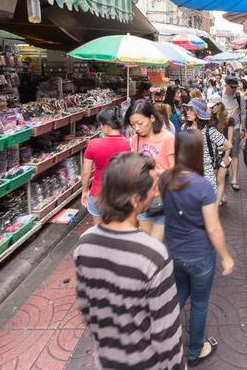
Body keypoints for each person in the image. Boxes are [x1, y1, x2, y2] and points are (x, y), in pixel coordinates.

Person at [74, 153, 184, 370]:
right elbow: (166, 331)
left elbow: (86, 306)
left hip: (106, 358)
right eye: (153, 187)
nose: (156, 191)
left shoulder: (85, 242)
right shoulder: (152, 254)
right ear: (135, 200)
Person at [160, 129, 235, 367]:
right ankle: (195, 351)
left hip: (173, 251)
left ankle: (159, 338)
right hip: (200, 254)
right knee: (200, 304)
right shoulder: (203, 186)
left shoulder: (165, 178)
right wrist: (226, 257)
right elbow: (213, 229)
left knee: (179, 295)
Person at [129, 99, 175, 240]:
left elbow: (174, 171)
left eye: (140, 123)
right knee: (147, 241)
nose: (136, 128)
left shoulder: (167, 138)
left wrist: (153, 173)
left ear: (152, 118)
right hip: (142, 197)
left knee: (155, 243)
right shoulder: (134, 139)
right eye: (132, 124)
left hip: (162, 197)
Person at [82, 107, 131, 224]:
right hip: (121, 193)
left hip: (98, 192)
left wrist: (85, 190)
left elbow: (86, 173)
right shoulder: (129, 143)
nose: (100, 127)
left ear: (107, 126)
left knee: (99, 230)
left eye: (101, 124)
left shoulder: (93, 144)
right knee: (119, 228)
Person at [182, 98, 232, 193]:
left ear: (199, 112)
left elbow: (229, 145)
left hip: (206, 173)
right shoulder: (184, 127)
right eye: (187, 109)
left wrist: (216, 150)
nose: (187, 112)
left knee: (206, 205)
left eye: (191, 110)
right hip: (188, 172)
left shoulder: (210, 131)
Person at [208, 94, 235, 206]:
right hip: (214, 152)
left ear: (219, 105)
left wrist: (226, 155)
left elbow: (230, 139)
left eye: (213, 106)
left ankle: (218, 200)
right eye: (210, 107)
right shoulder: (210, 118)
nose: (211, 108)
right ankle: (223, 196)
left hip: (225, 151)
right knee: (215, 177)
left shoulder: (229, 119)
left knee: (220, 178)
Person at [221, 76, 246, 193]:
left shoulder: (239, 96)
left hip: (235, 128)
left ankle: (234, 178)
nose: (235, 89)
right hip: (222, 129)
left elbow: (243, 113)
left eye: (236, 87)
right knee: (222, 152)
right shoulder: (219, 96)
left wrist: (243, 129)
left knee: (235, 153)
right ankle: (224, 170)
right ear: (226, 86)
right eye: (232, 87)